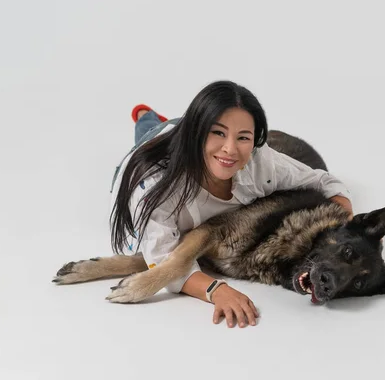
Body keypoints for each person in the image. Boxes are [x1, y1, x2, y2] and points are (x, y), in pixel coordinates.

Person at [109, 80, 353, 328]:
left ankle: (179, 125)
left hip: (189, 138)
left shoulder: (260, 160)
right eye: (218, 132)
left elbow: (324, 181)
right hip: (151, 152)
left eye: (243, 137)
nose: (230, 149)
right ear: (197, 131)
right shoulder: (154, 186)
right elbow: (162, 262)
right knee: (150, 132)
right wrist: (216, 290)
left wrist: (348, 224)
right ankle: (146, 117)